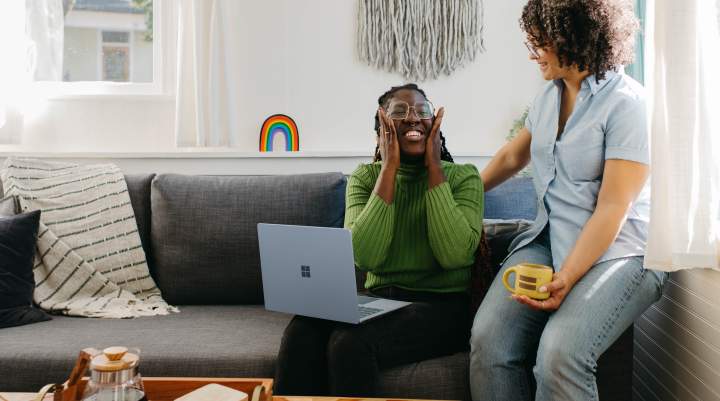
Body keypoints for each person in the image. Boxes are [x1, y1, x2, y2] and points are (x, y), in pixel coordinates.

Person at [469, 1, 668, 400]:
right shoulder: (548, 98)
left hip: (619, 253)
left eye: (541, 41)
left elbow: (614, 207)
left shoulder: (628, 103)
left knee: (560, 357)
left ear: (571, 37)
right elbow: (512, 157)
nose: (532, 52)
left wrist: (568, 276)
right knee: (488, 344)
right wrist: (453, 193)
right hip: (548, 240)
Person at [274, 83, 484, 397]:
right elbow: (364, 256)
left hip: (443, 308)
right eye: (399, 112)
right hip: (382, 300)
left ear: (435, 125)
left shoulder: (464, 177)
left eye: (422, 111)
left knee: (350, 342)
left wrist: (434, 167)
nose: (413, 118)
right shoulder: (365, 177)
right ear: (382, 131)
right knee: (301, 331)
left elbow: (454, 255)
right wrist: (388, 168)